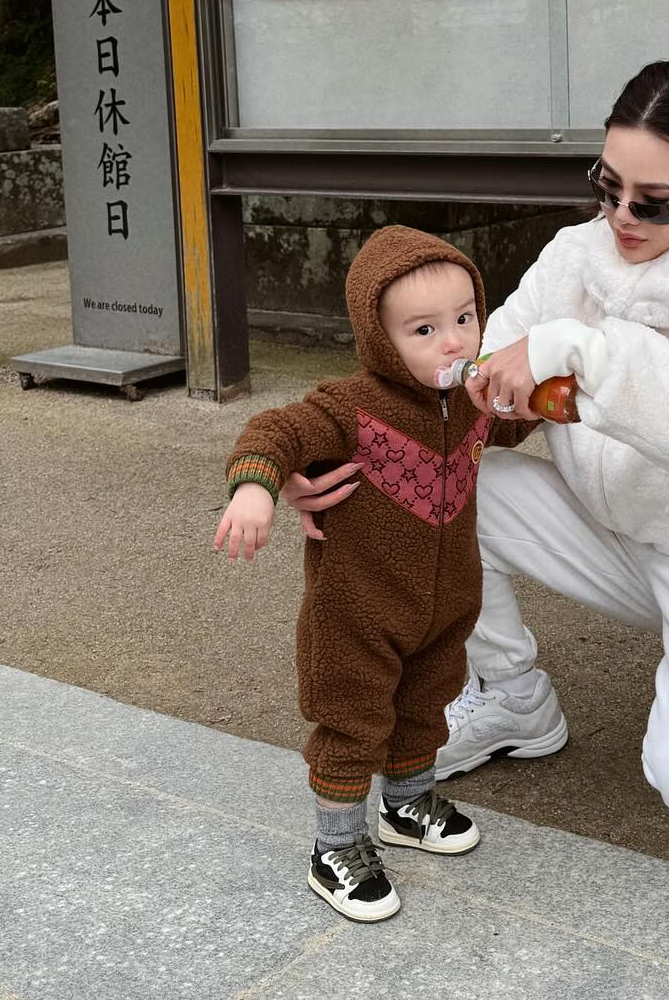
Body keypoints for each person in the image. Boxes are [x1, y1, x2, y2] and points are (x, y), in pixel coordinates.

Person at [283, 60, 669, 833]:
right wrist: (325, 458)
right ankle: (510, 694)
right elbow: (452, 389)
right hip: (616, 533)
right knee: (431, 480)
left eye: (654, 202)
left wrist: (584, 351)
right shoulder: (578, 253)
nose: (621, 215)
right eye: (607, 183)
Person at [214, 225, 533, 921]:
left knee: (426, 700)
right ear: (380, 337)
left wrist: (539, 399)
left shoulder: (472, 399)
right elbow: (279, 429)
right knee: (353, 716)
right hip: (357, 607)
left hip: (445, 602)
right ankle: (335, 845)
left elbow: (510, 421)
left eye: (464, 318)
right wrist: (253, 487)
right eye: (423, 329)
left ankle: (407, 803)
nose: (452, 341)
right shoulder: (351, 406)